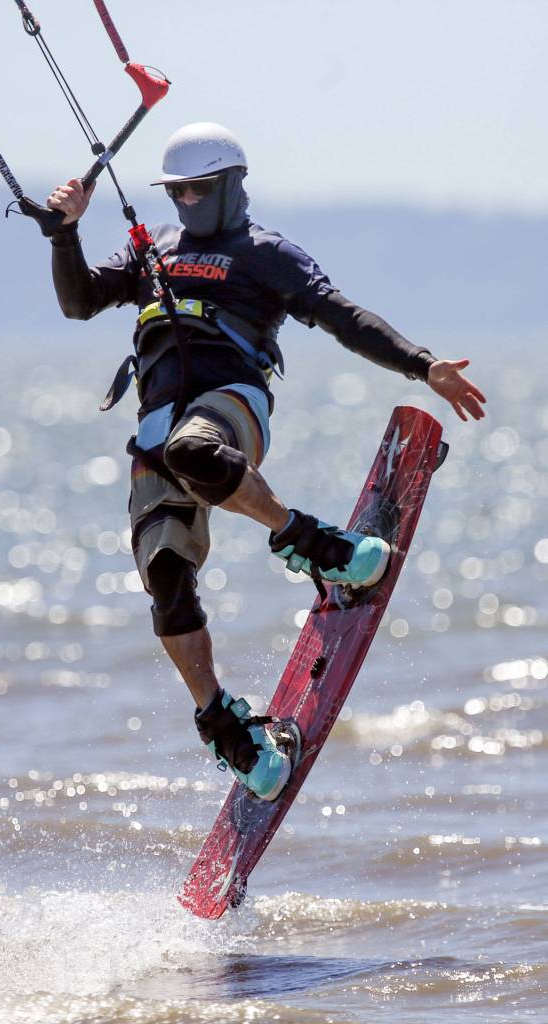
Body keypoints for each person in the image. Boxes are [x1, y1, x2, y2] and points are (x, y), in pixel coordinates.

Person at [45, 122, 486, 802]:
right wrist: (63, 231)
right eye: (175, 191)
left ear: (229, 186)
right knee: (165, 579)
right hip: (155, 428)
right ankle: (229, 731)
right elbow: (77, 303)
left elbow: (343, 317)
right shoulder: (151, 249)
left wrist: (421, 365)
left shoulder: (265, 254)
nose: (184, 201)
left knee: (193, 448)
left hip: (228, 405)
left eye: (197, 189)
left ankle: (313, 544)